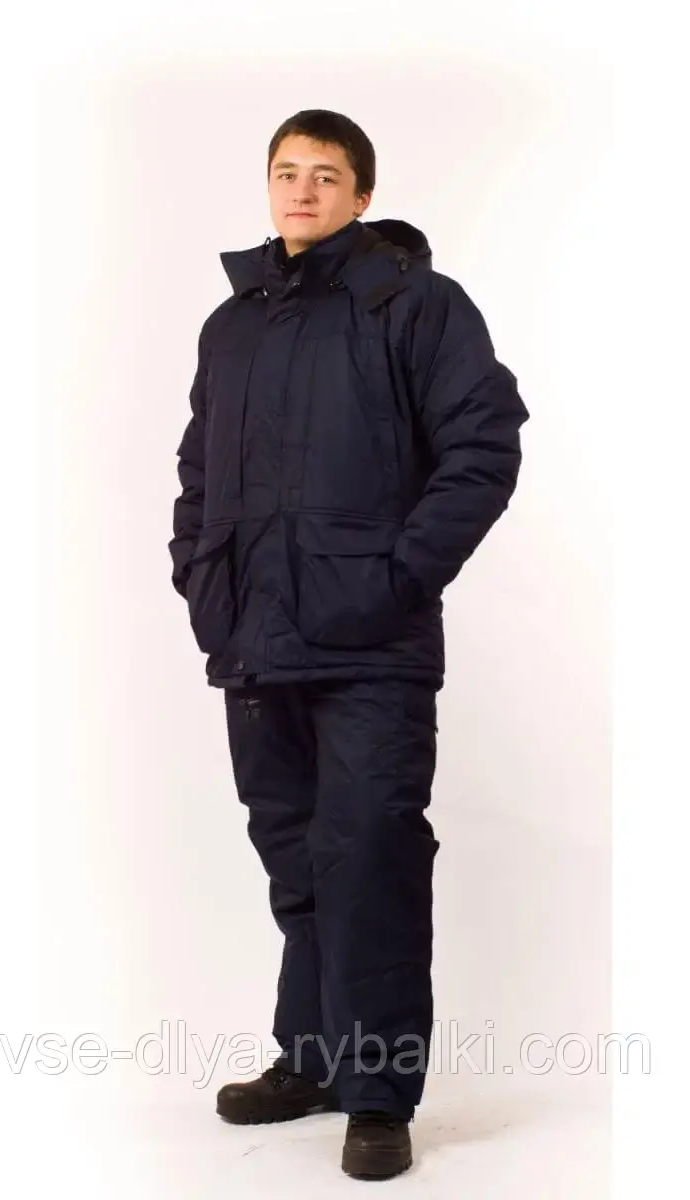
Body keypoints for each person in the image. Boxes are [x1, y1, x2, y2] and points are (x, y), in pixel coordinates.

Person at [168, 109, 529, 1180]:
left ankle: (377, 1093)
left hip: (372, 644)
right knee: (295, 857)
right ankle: (314, 1059)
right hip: (254, 640)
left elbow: (484, 442)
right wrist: (201, 577)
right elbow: (198, 470)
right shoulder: (232, 325)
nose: (303, 190)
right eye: (287, 172)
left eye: (326, 175)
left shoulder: (415, 305)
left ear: (362, 195)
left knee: (369, 856)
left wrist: (399, 577)